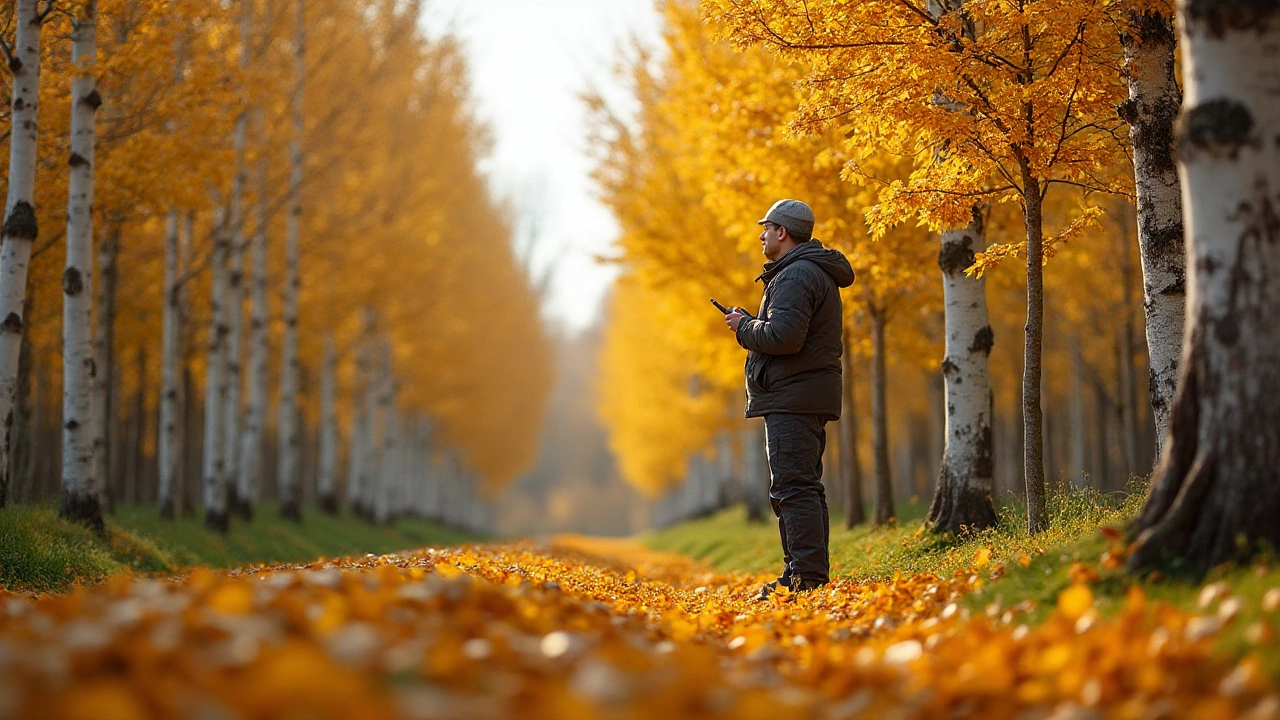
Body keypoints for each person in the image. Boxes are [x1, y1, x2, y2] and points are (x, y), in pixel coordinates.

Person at [724, 199, 854, 600]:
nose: (761, 235)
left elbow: (784, 337)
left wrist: (744, 327)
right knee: (804, 487)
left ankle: (805, 579)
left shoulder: (796, 275)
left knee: (793, 488)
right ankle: (803, 573)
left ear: (783, 232)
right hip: (803, 395)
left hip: (793, 397)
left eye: (766, 228)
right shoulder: (805, 272)